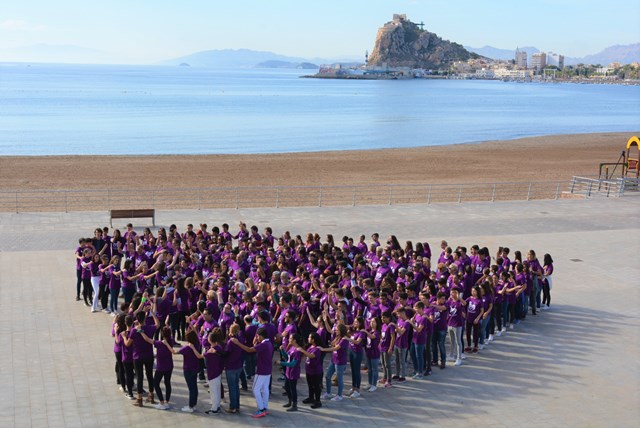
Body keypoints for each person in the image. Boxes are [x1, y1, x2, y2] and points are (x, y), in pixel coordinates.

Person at [230, 327, 274, 419]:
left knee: (255, 389)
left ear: (261, 336)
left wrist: (238, 343)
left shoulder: (264, 344)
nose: (257, 338)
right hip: (268, 370)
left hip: (262, 370)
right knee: (265, 389)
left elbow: (250, 350)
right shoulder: (269, 343)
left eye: (257, 336)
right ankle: (265, 408)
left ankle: (261, 409)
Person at [321, 323, 349, 400]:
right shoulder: (337, 337)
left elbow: (335, 348)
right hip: (333, 360)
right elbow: (332, 342)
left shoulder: (344, 339)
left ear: (341, 330)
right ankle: (328, 393)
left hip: (340, 362)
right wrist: (325, 320)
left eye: (337, 329)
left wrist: (323, 349)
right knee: (327, 376)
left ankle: (339, 395)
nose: (335, 330)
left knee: (339, 379)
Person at [178, 329, 204, 413]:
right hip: (195, 368)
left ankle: (190, 406)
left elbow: (175, 352)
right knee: (194, 387)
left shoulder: (186, 348)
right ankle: (193, 405)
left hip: (187, 369)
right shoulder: (197, 344)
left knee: (191, 388)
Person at [204, 328, 225, 415]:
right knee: (217, 389)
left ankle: (214, 409)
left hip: (212, 373)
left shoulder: (210, 352)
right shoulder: (219, 348)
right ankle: (217, 405)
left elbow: (203, 356)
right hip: (218, 372)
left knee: (214, 391)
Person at [281, 333, 304, 412]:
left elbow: (292, 364)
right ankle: (290, 401)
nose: (289, 340)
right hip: (288, 372)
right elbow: (288, 357)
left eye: (290, 338)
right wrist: (282, 351)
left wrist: (281, 363)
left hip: (293, 372)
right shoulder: (292, 348)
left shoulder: (298, 350)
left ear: (294, 340)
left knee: (292, 389)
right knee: (287, 387)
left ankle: (294, 405)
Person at [300, 332, 323, 408]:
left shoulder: (317, 349)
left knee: (316, 386)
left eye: (309, 337)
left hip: (316, 371)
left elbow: (311, 355)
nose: (308, 338)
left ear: (313, 339)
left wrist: (302, 350)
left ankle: (318, 401)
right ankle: (311, 398)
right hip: (309, 370)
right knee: (310, 385)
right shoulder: (311, 346)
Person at [346, 316, 366, 398]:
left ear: (360, 323)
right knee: (353, 370)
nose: (354, 323)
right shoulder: (354, 331)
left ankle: (357, 389)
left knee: (357, 371)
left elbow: (358, 342)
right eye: (354, 321)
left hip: (357, 353)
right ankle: (353, 387)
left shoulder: (362, 332)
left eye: (356, 322)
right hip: (351, 351)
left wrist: (348, 339)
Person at [446, 289, 466, 366]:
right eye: (451, 293)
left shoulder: (459, 302)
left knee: (458, 341)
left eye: (454, 293)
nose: (452, 294)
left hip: (457, 324)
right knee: (452, 341)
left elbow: (464, 303)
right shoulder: (449, 301)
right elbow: (445, 307)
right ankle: (452, 355)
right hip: (450, 323)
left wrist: (459, 298)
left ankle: (459, 358)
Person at [363, 316, 381, 391]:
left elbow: (372, 337)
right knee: (369, 369)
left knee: (375, 369)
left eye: (374, 322)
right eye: (371, 321)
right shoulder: (370, 331)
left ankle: (374, 385)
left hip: (374, 353)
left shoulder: (376, 332)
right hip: (368, 352)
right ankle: (369, 383)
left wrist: (366, 331)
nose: (372, 323)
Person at [379, 311, 396, 388]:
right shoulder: (383, 325)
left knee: (387, 365)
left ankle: (389, 381)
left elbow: (393, 337)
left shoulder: (390, 326)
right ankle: (384, 377)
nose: (383, 319)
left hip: (387, 348)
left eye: (384, 318)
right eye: (382, 317)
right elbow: (382, 336)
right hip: (382, 347)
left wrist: (390, 348)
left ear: (389, 318)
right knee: (383, 364)